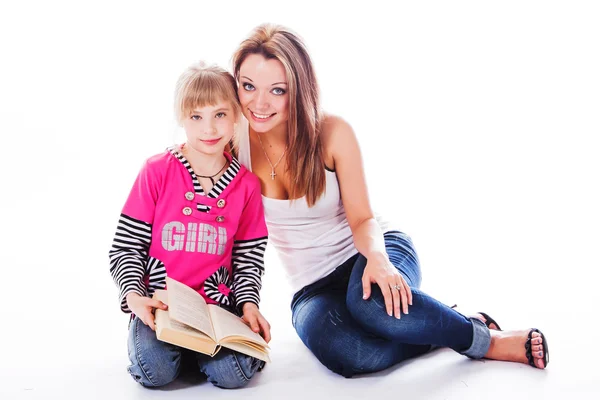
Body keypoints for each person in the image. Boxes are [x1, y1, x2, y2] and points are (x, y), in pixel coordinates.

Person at [231, 24, 549, 378]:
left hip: (371, 250)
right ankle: (439, 327)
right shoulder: (231, 142)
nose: (259, 104)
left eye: (278, 90)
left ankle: (483, 340)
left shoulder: (332, 133)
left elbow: (363, 220)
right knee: (351, 356)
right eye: (248, 87)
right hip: (312, 286)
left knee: (373, 308)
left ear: (300, 90)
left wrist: (378, 259)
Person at [108, 61, 271, 388]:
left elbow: (249, 257)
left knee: (233, 375)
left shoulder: (247, 186)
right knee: (154, 372)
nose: (209, 129)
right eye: (197, 116)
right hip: (161, 307)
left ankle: (203, 354)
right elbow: (127, 244)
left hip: (217, 311)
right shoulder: (157, 171)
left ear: (236, 115)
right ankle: (181, 353)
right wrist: (134, 295)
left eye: (220, 115)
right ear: (182, 118)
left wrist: (249, 304)